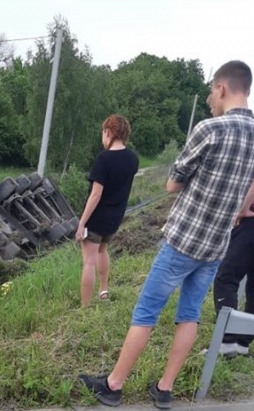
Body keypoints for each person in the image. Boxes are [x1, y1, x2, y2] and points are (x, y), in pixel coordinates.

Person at [79, 60, 254, 409]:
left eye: (211, 92)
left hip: (183, 239)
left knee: (146, 312)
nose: (209, 100)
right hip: (216, 244)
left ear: (221, 87)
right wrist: (237, 209)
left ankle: (113, 386)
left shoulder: (210, 129)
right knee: (189, 314)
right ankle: (165, 388)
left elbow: (173, 182)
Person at [76, 114, 139, 306]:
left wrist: (82, 223)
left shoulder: (103, 159)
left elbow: (95, 195)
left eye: (103, 133)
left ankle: (86, 306)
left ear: (108, 132)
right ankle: (103, 290)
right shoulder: (133, 158)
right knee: (103, 251)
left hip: (98, 218)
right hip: (115, 218)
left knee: (88, 261)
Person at [212, 199, 254, 357]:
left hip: (251, 220)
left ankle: (228, 342)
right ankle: (243, 343)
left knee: (227, 277)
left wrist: (242, 209)